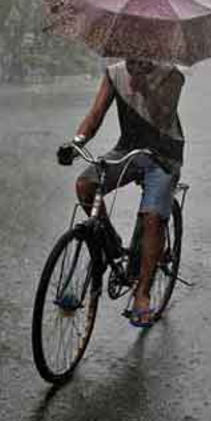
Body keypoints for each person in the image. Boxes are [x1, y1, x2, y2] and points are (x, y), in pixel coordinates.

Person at [61, 58, 185, 328]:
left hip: (164, 154)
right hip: (127, 149)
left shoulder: (171, 75)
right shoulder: (114, 73)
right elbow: (95, 115)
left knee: (153, 217)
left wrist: (144, 88)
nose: (132, 60)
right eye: (128, 54)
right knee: (85, 185)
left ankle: (142, 294)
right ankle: (111, 244)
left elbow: (163, 118)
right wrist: (76, 143)